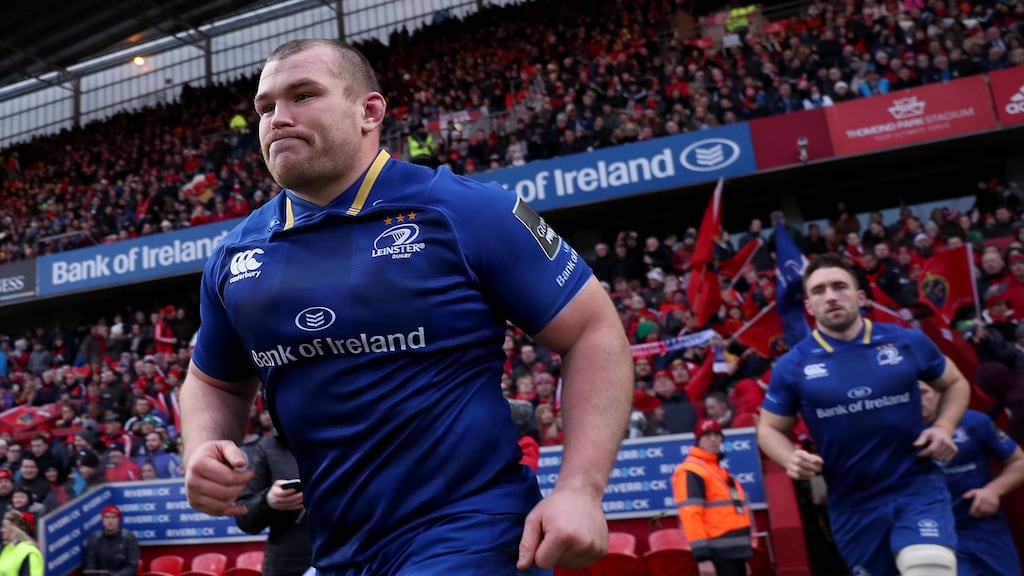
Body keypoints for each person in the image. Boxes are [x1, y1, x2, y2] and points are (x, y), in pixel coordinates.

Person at [181, 38, 633, 576]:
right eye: (266, 107)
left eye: (303, 95)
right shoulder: (236, 255)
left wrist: (581, 490)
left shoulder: (469, 211)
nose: (279, 118)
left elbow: (593, 331)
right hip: (337, 550)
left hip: (472, 532)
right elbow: (215, 381)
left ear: (369, 111)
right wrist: (205, 447)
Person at [757, 253, 971, 576]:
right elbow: (769, 429)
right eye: (819, 291)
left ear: (860, 297)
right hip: (852, 502)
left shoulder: (906, 341)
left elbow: (955, 383)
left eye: (839, 286)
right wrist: (790, 458)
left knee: (928, 567)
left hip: (916, 486)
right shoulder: (792, 366)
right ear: (809, 306)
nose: (830, 296)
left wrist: (943, 426)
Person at [921, 381, 1024, 576]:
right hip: (936, 534)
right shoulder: (896, 435)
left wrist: (993, 490)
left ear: (940, 393)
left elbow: (1018, 462)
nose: (917, 400)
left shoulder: (975, 422)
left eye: (923, 392)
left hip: (985, 527)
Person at [672, 419, 752, 576]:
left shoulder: (719, 471)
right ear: (698, 440)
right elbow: (691, 515)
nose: (713, 439)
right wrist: (702, 557)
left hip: (735, 553)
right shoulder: (692, 471)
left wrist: (743, 556)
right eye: (707, 435)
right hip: (717, 555)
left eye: (717, 435)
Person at [235, 417, 313, 576]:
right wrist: (268, 501)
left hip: (345, 557)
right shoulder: (268, 446)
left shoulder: (345, 438)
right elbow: (244, 517)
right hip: (288, 563)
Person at [82, 505, 140, 576]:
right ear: (103, 520)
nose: (110, 521)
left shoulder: (129, 538)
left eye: (113, 517)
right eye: (107, 517)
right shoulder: (94, 539)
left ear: (118, 519)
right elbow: (90, 565)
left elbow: (132, 566)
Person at [0, 510, 41, 576]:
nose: (1, 530)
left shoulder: (29, 551)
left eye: (5, 527)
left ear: (14, 529)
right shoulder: (4, 549)